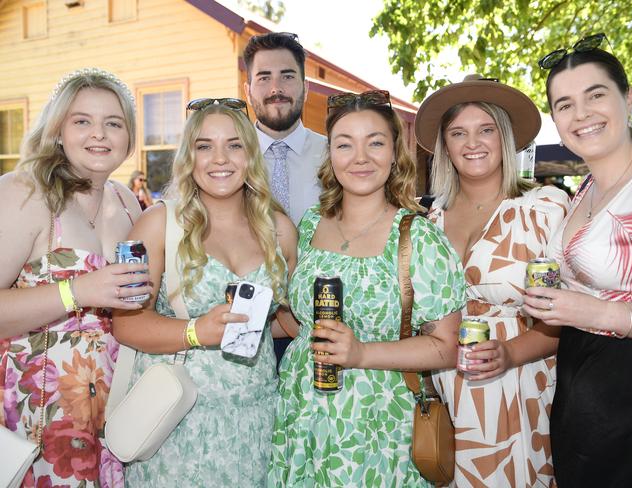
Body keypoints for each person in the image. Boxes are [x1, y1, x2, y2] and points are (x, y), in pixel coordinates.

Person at [267, 90, 466, 487]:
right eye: (345, 144)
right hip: (301, 415)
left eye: (375, 142)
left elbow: (446, 346)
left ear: (395, 153)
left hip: (377, 427)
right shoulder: (308, 225)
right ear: (331, 155)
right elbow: (300, 324)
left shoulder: (419, 238)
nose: (360, 157)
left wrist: (360, 353)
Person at [112, 97, 297, 486]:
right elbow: (127, 324)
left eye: (234, 145)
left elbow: (282, 323)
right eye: (204, 146)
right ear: (188, 157)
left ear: (250, 155)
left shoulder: (278, 228)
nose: (220, 159)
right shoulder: (158, 224)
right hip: (178, 423)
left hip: (256, 423)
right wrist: (195, 330)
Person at [414, 75, 570, 487]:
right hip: (450, 387)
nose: (472, 143)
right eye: (458, 133)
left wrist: (509, 353)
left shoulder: (544, 208)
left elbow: (565, 317)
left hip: (521, 384)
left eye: (486, 130)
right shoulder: (429, 220)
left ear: (504, 137)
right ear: (444, 145)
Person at [0, 68, 151, 487]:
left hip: (111, 417)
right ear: (58, 130)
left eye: (113, 123)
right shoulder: (24, 193)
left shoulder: (125, 202)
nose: (98, 134)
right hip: (36, 419)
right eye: (82, 120)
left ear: (128, 136)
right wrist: (77, 290)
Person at [524, 34, 632, 486]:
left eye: (595, 95)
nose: (581, 115)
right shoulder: (584, 191)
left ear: (628, 97)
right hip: (584, 402)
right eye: (564, 104)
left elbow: (600, 307)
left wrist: (594, 311)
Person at [243, 31, 327, 226]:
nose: (276, 88)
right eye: (264, 78)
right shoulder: (228, 161)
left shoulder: (334, 156)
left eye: (287, 76)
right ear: (247, 91)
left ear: (306, 88)